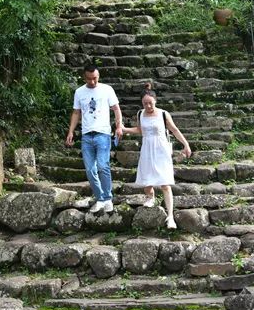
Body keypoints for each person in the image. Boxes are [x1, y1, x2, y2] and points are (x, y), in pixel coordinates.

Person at [122, 82, 191, 229]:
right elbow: (140, 130)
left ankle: (170, 216)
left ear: (155, 101)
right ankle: (150, 197)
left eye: (150, 103)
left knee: (165, 184)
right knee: (147, 181)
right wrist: (125, 129)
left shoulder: (163, 114)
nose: (148, 106)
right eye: (145, 103)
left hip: (161, 149)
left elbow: (174, 130)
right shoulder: (140, 114)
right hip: (147, 149)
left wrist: (186, 144)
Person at [65, 63, 123, 213]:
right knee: (90, 170)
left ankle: (108, 198)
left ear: (99, 76)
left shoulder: (107, 89)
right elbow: (76, 112)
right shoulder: (79, 92)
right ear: (84, 77)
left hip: (103, 134)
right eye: (89, 79)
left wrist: (119, 126)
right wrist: (71, 132)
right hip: (86, 135)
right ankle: (100, 198)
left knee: (103, 166)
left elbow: (116, 108)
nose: (92, 81)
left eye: (95, 78)